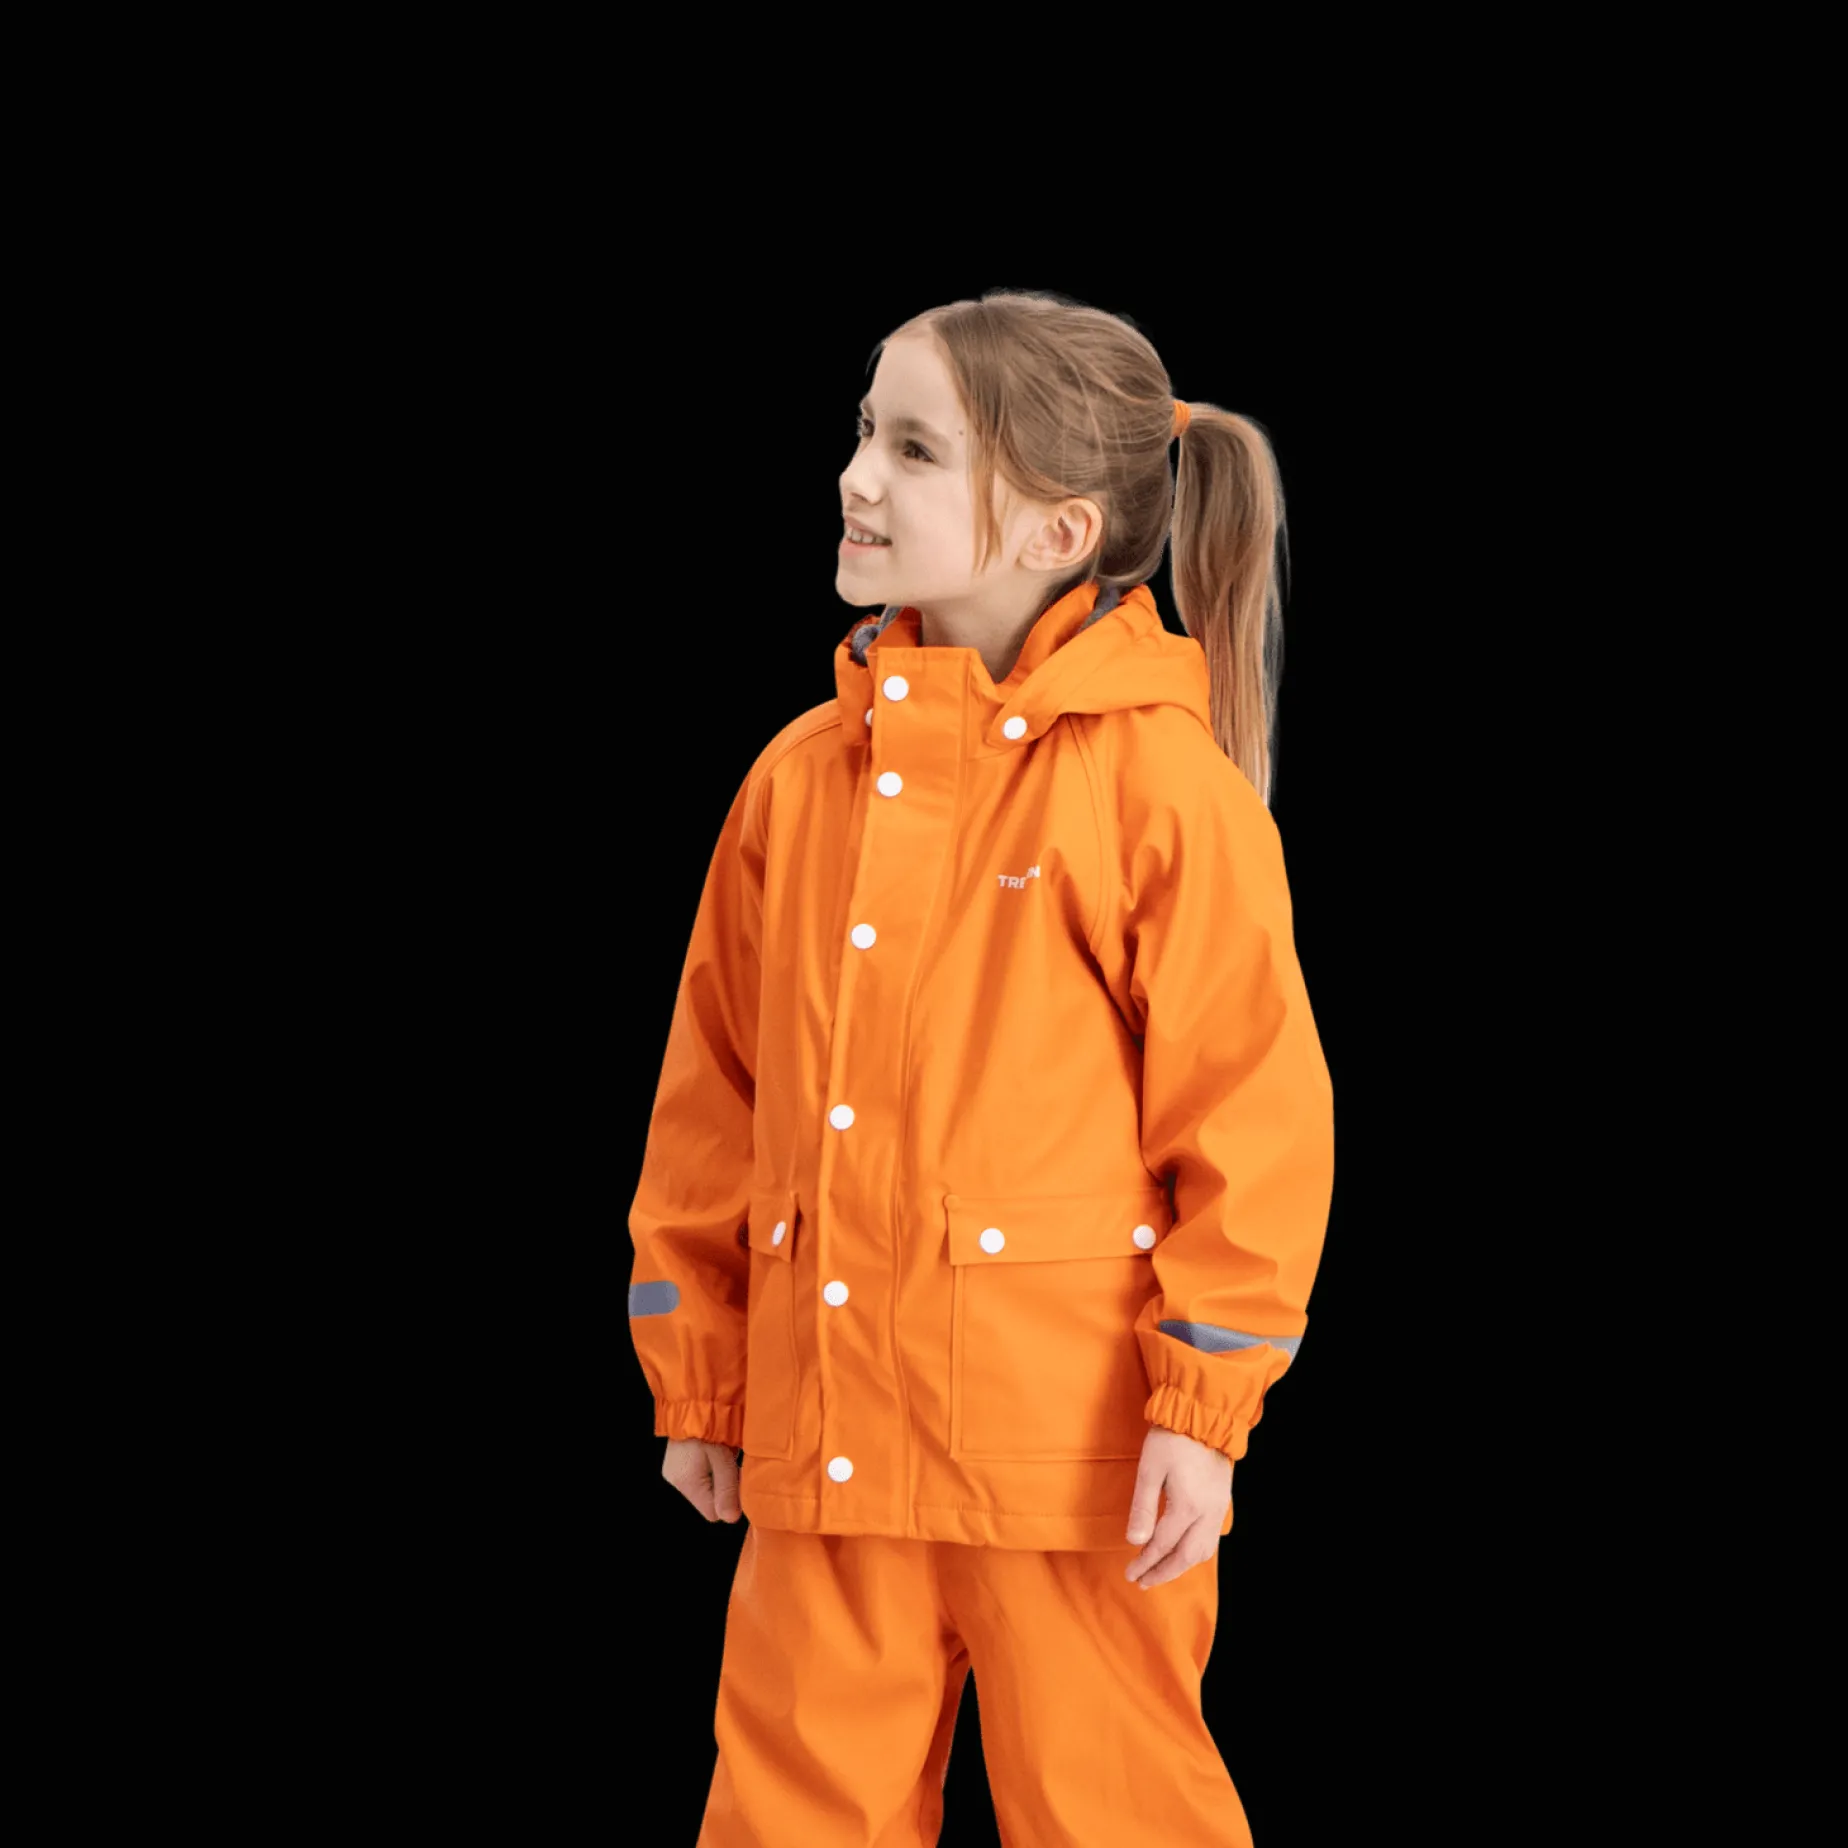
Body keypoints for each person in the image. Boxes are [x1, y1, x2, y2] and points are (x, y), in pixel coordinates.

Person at [627, 288, 1335, 1847]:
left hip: (1071, 1474)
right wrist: (702, 1374)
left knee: (1120, 1819)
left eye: (914, 449)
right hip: (825, 1452)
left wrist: (1200, 1413)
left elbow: (1255, 1124)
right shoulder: (795, 785)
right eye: (861, 433)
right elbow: (711, 1102)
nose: (855, 477)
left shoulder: (1162, 790)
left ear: (1059, 530)